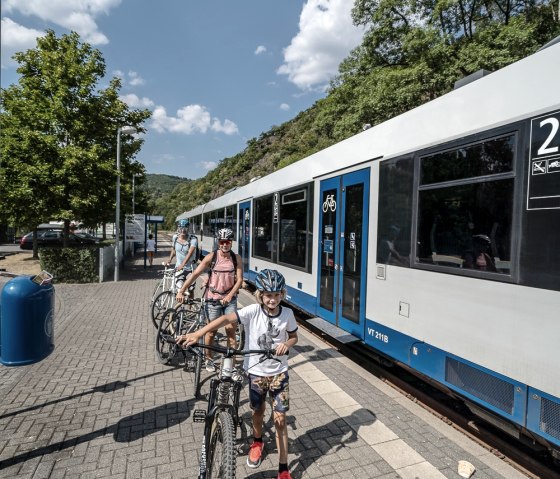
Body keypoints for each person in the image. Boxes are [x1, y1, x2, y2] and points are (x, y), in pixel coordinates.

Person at [177, 269, 298, 479]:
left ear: (282, 294)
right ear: (261, 295)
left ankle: (283, 468)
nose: (272, 299)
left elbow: (294, 336)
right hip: (256, 373)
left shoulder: (287, 314)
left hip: (279, 373)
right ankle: (257, 441)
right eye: (268, 295)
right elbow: (225, 319)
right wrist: (198, 333)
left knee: (280, 420)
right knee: (257, 412)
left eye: (277, 295)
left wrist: (287, 343)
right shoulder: (252, 311)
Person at [176, 228, 243, 372]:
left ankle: (231, 364)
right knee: (211, 331)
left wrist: (230, 295)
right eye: (222, 242)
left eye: (227, 242)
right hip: (212, 299)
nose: (225, 244)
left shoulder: (236, 258)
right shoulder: (212, 257)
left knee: (231, 331)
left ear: (231, 243)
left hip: (229, 299)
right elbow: (195, 274)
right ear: (218, 242)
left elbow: (240, 280)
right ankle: (209, 359)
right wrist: (182, 290)